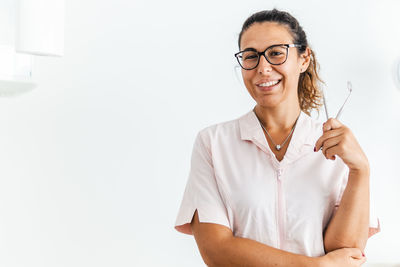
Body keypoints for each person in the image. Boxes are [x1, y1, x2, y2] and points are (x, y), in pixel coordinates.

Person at [174, 9, 380, 266]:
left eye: (276, 53)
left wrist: (360, 170)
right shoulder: (213, 144)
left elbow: (345, 252)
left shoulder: (340, 147)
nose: (262, 68)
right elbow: (217, 251)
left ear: (304, 59)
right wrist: (316, 265)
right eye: (250, 56)